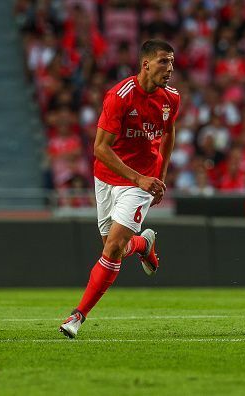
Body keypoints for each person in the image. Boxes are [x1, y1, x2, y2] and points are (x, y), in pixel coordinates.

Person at [59, 39, 180, 338]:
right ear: (146, 64)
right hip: (108, 177)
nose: (170, 68)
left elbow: (168, 133)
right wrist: (137, 178)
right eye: (164, 61)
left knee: (112, 248)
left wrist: (158, 177)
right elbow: (100, 149)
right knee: (115, 248)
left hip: (141, 181)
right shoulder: (119, 96)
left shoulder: (171, 99)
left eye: (172, 62)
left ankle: (78, 316)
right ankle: (144, 245)